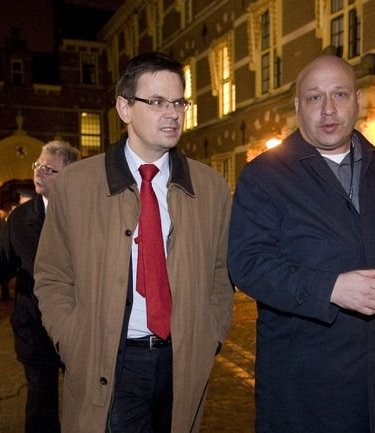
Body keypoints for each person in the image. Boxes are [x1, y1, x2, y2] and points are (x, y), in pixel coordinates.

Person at [34, 52, 235, 433]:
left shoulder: (209, 187)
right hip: (108, 361)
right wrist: (73, 342)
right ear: (124, 107)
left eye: (179, 102)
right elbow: (52, 275)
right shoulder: (77, 185)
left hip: (181, 361)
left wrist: (211, 337)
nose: (173, 113)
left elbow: (221, 274)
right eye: (157, 102)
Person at [228, 55, 375, 433]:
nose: (329, 109)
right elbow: (247, 263)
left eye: (340, 94)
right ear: (297, 106)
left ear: (358, 100)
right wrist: (329, 288)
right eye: (315, 97)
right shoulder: (265, 175)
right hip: (306, 381)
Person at [0, 140, 80, 433]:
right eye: (38, 166)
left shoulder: (90, 216)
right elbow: (1, 268)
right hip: (34, 325)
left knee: (85, 399)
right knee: (41, 401)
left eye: (49, 170)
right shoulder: (18, 219)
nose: (39, 173)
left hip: (80, 325)